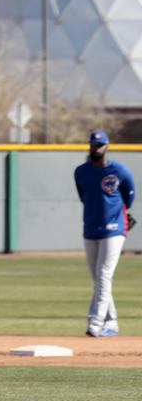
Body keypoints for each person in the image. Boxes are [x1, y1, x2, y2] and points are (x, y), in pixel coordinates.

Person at [74, 130, 135, 338]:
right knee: (98, 279)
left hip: (114, 229)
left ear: (107, 146)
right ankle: (112, 323)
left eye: (99, 145)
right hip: (91, 228)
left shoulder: (119, 171)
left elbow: (129, 196)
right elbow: (84, 196)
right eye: (93, 144)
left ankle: (96, 322)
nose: (96, 148)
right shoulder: (81, 172)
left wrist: (120, 217)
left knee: (103, 275)